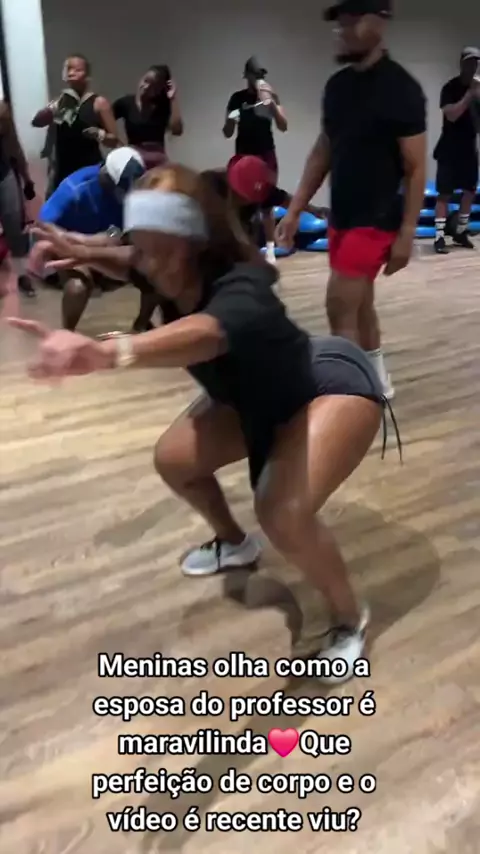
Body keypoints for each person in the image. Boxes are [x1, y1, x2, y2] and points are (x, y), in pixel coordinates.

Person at [7, 163, 387, 684]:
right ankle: (235, 543)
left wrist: (108, 352)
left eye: (161, 249)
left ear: (195, 241)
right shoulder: (162, 264)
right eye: (143, 247)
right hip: (255, 396)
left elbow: (208, 333)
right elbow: (128, 260)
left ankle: (348, 619)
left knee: (282, 512)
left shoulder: (244, 287)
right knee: (174, 460)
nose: (150, 264)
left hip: (328, 388)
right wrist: (81, 248)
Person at [276, 0, 426, 401]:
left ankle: (346, 398)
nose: (340, 30)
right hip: (342, 215)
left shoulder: (401, 89)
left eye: (351, 22)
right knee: (360, 306)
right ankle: (378, 382)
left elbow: (415, 167)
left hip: (376, 219)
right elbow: (323, 150)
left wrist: (407, 234)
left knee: (339, 306)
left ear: (379, 23)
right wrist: (295, 209)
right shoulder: (337, 87)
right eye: (339, 23)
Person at [28, 147, 147, 331]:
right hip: (65, 247)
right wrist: (76, 242)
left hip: (97, 242)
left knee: (151, 274)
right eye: (119, 188)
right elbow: (43, 227)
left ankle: (141, 327)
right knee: (78, 287)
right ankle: (67, 333)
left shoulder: (132, 192)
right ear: (106, 175)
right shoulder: (75, 188)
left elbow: (117, 235)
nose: (122, 196)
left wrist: (90, 242)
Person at [223, 57, 288, 265]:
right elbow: (227, 132)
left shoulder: (271, 94)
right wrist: (231, 120)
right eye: (254, 74)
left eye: (260, 74)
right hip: (244, 155)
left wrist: (272, 105)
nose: (258, 78)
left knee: (267, 201)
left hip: (265, 153)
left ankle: (270, 249)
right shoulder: (237, 99)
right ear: (247, 76)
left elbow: (283, 126)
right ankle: (243, 248)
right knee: (241, 203)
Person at [31, 55, 117, 193]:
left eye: (77, 70)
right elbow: (36, 122)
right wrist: (51, 110)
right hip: (63, 170)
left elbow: (114, 141)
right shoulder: (59, 102)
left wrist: (99, 134)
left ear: (87, 76)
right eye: (68, 69)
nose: (71, 73)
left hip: (89, 169)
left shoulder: (98, 103)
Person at [203, 155, 328, 242]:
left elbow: (287, 201)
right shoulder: (208, 189)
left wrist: (316, 211)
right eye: (244, 198)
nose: (249, 201)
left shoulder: (261, 189)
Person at [433, 47, 480, 254]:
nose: (473, 66)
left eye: (476, 62)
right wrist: (469, 95)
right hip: (449, 149)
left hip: (469, 149)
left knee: (470, 191)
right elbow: (451, 115)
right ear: (461, 63)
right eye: (469, 62)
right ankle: (439, 237)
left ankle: (460, 232)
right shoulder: (450, 88)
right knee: (444, 194)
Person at [90, 65, 183, 168]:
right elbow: (104, 123)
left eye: (153, 86)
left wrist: (172, 98)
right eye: (145, 81)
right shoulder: (126, 103)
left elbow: (177, 130)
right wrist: (121, 147)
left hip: (157, 160)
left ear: (159, 89)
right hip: (134, 158)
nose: (146, 87)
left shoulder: (162, 106)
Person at [0, 99, 36, 303]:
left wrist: (27, 179)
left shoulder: (1, 110)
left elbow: (14, 147)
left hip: (3, 175)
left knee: (14, 227)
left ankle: (23, 276)